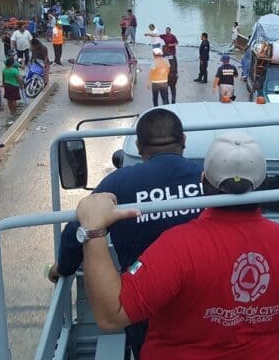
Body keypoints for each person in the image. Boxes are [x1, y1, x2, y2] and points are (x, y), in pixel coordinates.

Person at [73, 132, 279, 359]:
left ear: (203, 181)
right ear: (264, 185)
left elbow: (111, 315)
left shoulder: (176, 247)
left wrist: (93, 229)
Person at [51, 108, 204, 357]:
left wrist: (62, 268)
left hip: (143, 306)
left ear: (140, 147)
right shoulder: (206, 178)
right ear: (183, 141)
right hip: (206, 298)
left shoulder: (118, 183)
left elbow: (78, 230)